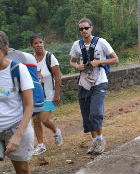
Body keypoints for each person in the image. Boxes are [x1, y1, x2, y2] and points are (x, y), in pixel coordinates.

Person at [69, 18, 119, 155]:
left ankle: (101, 140)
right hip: (84, 83)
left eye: (86, 28)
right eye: (81, 29)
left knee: (95, 113)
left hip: (99, 81)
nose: (84, 31)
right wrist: (77, 66)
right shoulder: (76, 45)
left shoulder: (101, 42)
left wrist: (99, 62)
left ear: (91, 28)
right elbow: (72, 62)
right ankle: (95, 142)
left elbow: (115, 59)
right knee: (87, 115)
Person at [0, 31, 34, 174]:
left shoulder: (18, 69)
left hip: (15, 127)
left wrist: (18, 135)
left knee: (22, 170)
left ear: (5, 48)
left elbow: (29, 105)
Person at [29, 33, 63, 156]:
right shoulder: (31, 60)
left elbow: (58, 77)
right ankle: (41, 145)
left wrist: (57, 94)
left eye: (40, 42)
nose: (39, 45)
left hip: (50, 95)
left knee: (44, 119)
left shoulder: (50, 57)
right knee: (36, 119)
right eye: (36, 43)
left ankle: (55, 131)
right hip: (37, 96)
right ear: (31, 46)